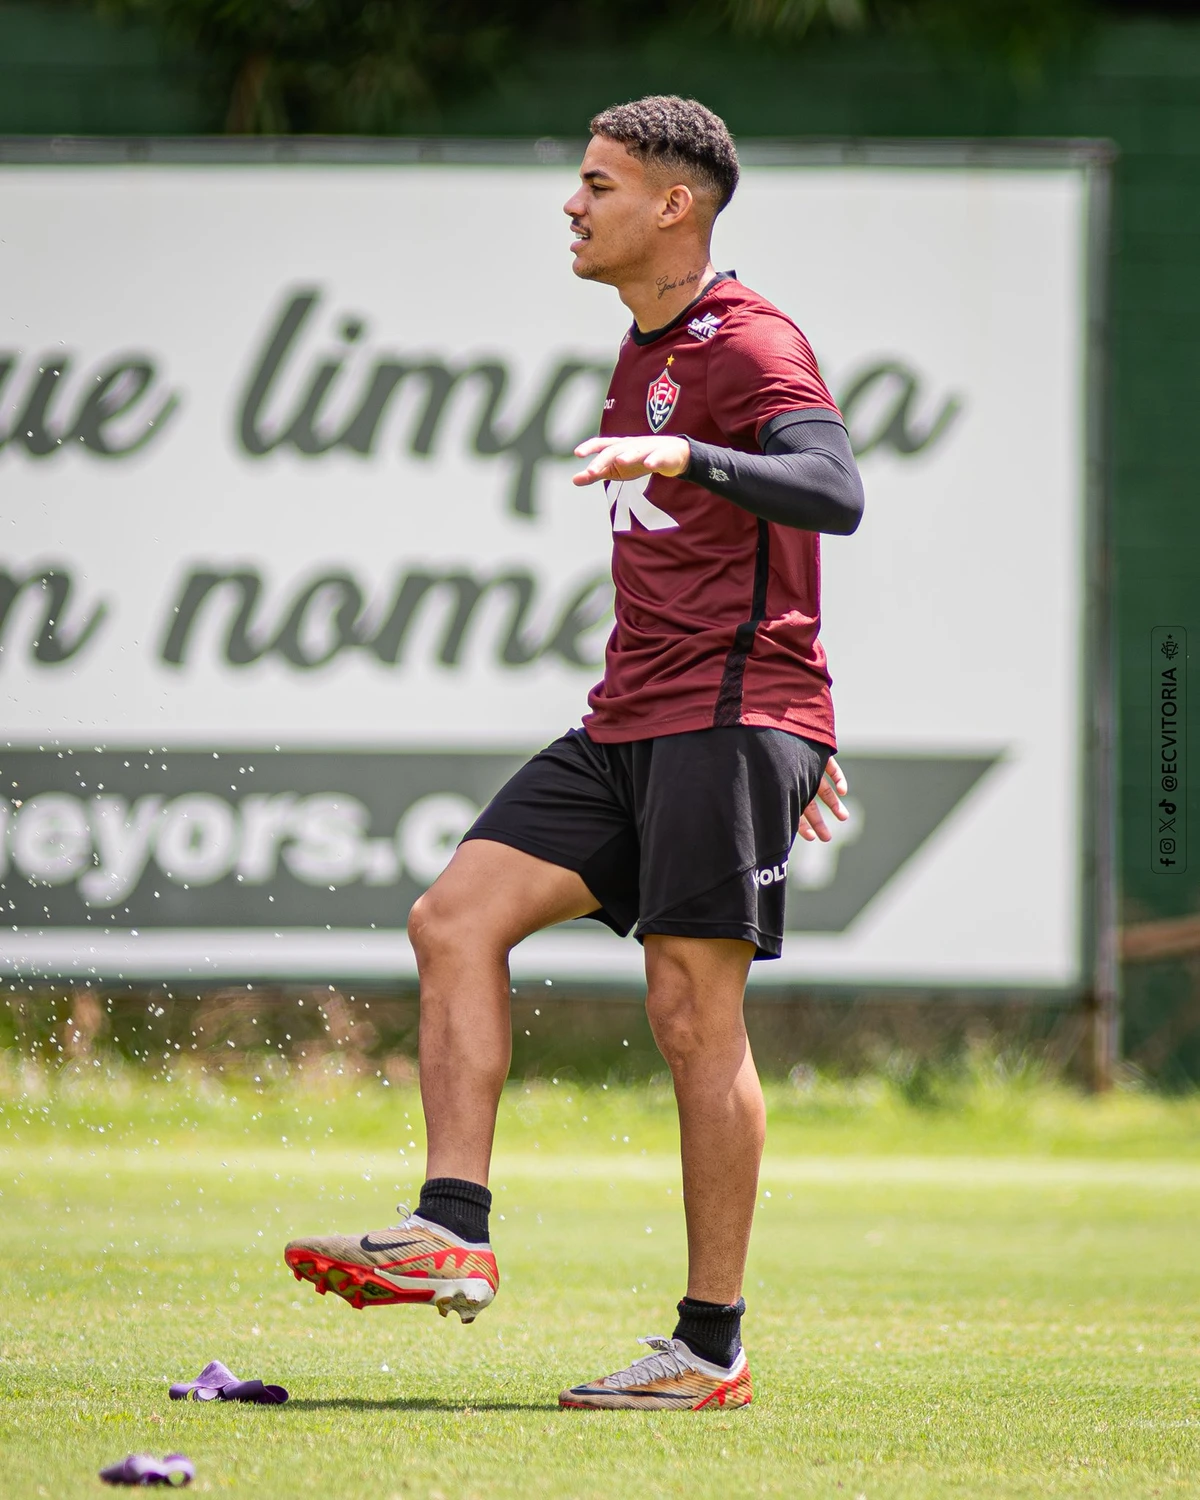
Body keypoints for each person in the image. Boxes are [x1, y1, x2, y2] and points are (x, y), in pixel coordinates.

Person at [284, 95, 864, 1412]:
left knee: (690, 1014)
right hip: (635, 717)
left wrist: (777, 717)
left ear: (674, 204)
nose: (572, 202)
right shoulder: (640, 345)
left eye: (599, 184)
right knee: (453, 918)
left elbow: (834, 492)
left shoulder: (750, 340)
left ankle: (709, 1347)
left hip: (724, 717)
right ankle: (450, 1227)